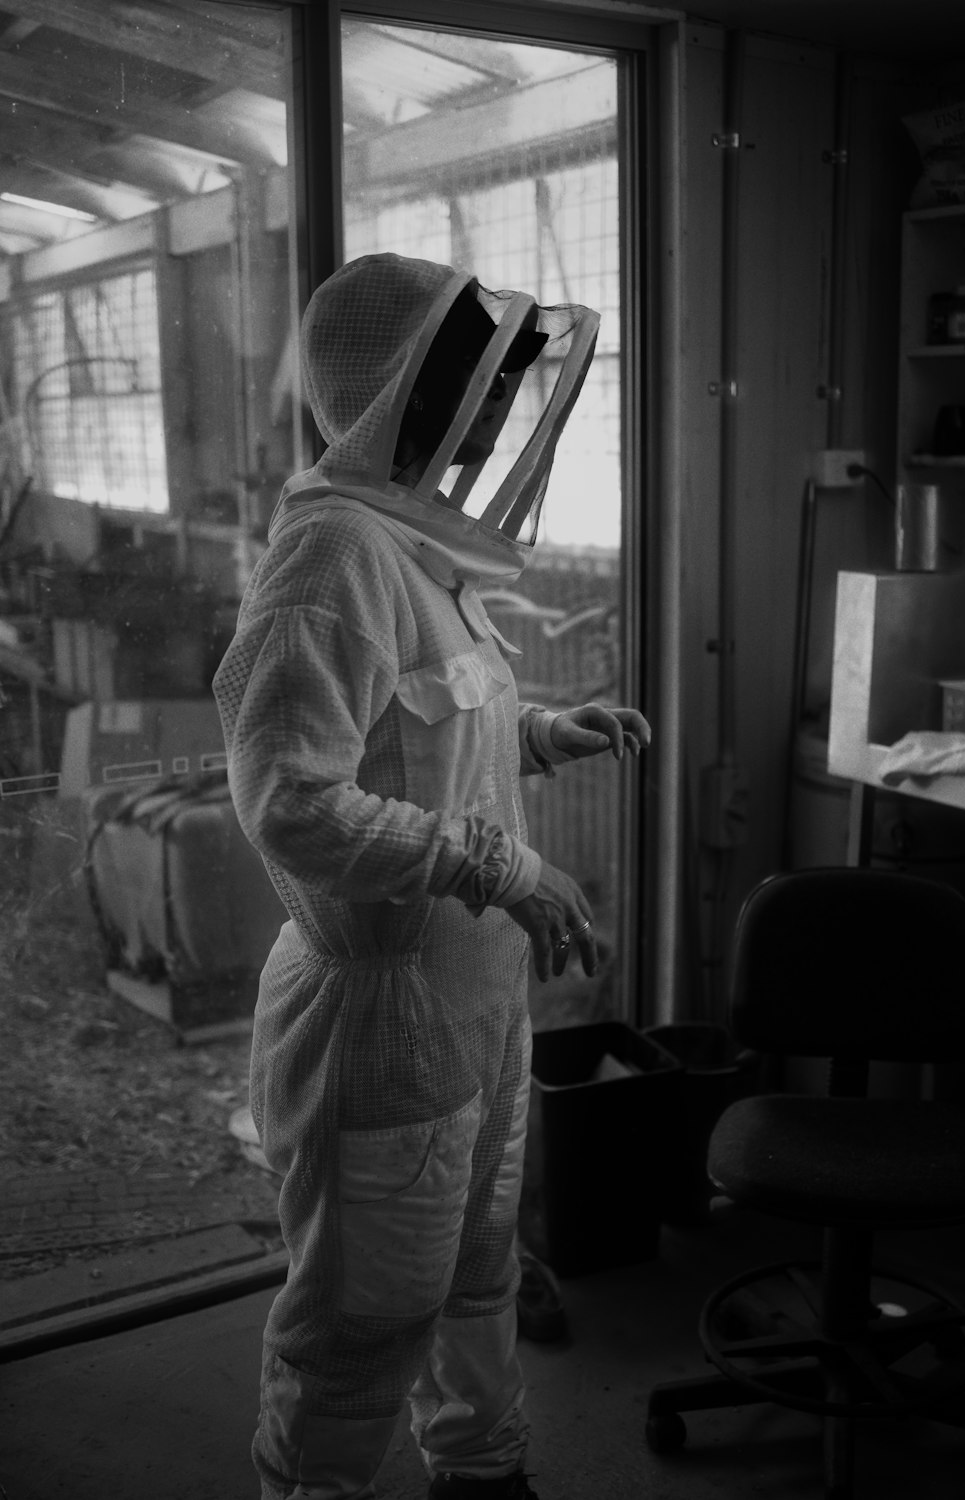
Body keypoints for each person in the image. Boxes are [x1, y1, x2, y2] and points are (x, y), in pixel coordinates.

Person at [213, 252, 651, 1500]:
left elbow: (412, 736)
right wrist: (493, 859)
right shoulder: (329, 559)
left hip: (471, 1007)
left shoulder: (412, 548)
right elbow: (291, 801)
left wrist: (539, 731)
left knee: (474, 1275)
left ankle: (482, 1472)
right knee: (362, 1323)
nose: (486, 423)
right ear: (398, 390)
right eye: (470, 390)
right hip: (382, 1021)